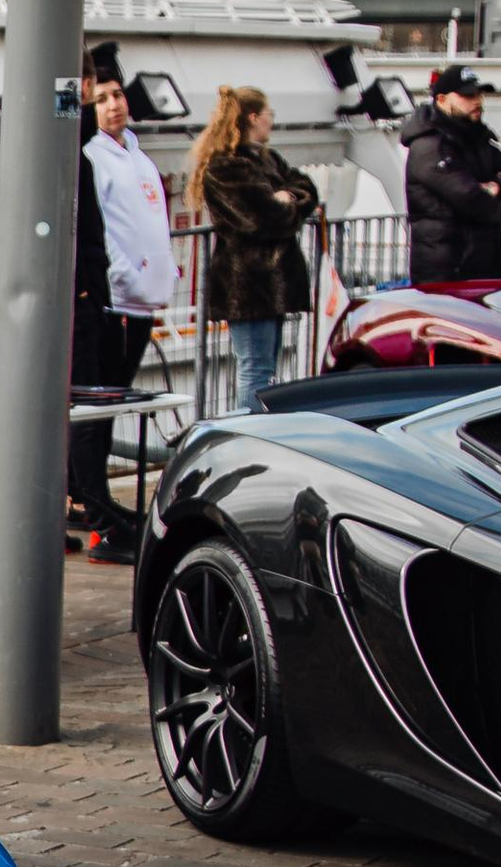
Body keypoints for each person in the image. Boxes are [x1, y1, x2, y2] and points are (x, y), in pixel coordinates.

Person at [68, 70, 174, 557]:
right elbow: (104, 227)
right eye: (103, 98)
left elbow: (148, 223)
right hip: (116, 297)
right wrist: (113, 282)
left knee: (109, 406)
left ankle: (91, 499)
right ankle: (92, 503)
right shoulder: (93, 157)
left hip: (139, 296)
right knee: (96, 408)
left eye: (118, 96)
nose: (114, 105)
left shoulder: (137, 157)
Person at [188, 84, 317, 414]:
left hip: (267, 282)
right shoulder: (227, 167)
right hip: (246, 284)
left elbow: (305, 188)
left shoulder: (265, 158)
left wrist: (288, 200)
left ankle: (259, 428)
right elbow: (262, 219)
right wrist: (287, 203)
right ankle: (251, 433)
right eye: (270, 115)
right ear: (254, 117)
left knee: (265, 368)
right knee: (256, 369)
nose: (271, 122)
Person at [402, 65, 501, 287]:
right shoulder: (429, 145)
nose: (477, 101)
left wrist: (497, 188)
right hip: (446, 275)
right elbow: (470, 198)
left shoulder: (479, 141)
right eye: (467, 95)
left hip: (484, 269)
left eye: (479, 94)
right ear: (441, 99)